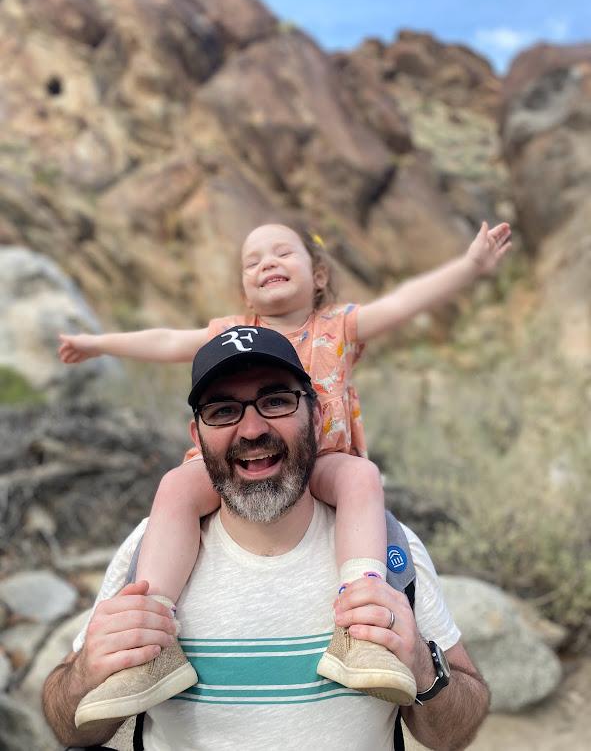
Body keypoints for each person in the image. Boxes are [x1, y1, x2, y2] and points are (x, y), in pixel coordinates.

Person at [57, 220, 510, 723]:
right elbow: (165, 340)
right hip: (241, 469)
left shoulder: (339, 325)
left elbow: (405, 302)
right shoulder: (229, 333)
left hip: (322, 458)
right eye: (252, 261)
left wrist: (471, 266)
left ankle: (361, 622)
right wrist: (98, 344)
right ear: (245, 286)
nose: (267, 263)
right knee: (176, 486)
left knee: (361, 478)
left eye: (281, 253)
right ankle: (151, 633)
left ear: (319, 275)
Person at [43, 328, 490, 750]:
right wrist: (85, 674)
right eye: (223, 411)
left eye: (276, 401)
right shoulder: (149, 549)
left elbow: (453, 735)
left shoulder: (387, 545)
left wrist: (422, 667)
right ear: (197, 437)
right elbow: (71, 726)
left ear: (317, 418)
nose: (252, 429)